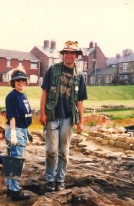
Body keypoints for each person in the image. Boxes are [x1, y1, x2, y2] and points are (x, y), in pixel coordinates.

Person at [40, 40, 88, 192]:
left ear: (76, 56)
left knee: (64, 152)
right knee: (51, 151)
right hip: (52, 115)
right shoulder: (53, 70)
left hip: (68, 118)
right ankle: (50, 179)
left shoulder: (79, 76)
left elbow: (80, 101)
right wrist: (42, 113)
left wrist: (81, 121)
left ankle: (60, 180)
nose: (68, 56)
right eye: (66, 52)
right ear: (63, 55)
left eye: (72, 53)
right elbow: (45, 92)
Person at [5, 69, 32, 201]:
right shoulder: (12, 96)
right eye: (18, 80)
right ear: (13, 82)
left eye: (23, 80)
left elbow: (24, 116)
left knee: (13, 160)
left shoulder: (23, 95)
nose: (21, 82)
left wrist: (27, 131)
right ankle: (15, 191)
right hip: (15, 130)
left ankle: (10, 187)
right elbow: (12, 117)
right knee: (16, 162)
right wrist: (14, 134)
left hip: (22, 129)